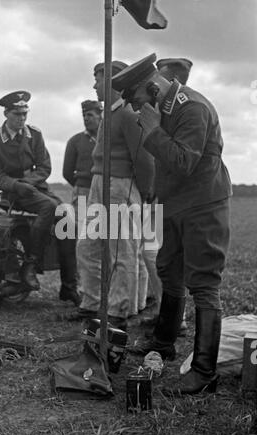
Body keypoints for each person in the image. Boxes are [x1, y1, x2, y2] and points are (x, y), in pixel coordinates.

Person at [112, 54, 232, 394]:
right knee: (168, 269)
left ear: (152, 88)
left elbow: (182, 162)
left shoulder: (192, 107)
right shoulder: (162, 107)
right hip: (175, 205)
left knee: (204, 283)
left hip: (203, 205)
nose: (136, 110)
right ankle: (164, 342)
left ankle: (204, 371)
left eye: (136, 101)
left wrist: (151, 132)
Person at [76, 61, 154, 330]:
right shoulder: (110, 113)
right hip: (100, 182)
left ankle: (122, 308)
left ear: (111, 82)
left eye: (98, 80)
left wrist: (145, 192)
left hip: (121, 185)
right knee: (88, 246)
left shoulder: (128, 114)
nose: (94, 85)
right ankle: (92, 303)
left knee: (123, 249)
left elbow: (143, 157)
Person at [0, 90, 80, 305]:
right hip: (14, 193)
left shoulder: (34, 134)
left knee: (67, 217)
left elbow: (44, 166)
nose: (22, 119)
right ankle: (30, 264)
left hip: (36, 188)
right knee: (50, 207)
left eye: (25, 114)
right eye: (17, 114)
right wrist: (18, 185)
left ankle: (69, 286)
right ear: (6, 114)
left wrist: (29, 182)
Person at [141, 57, 194, 334]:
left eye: (159, 78)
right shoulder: (164, 110)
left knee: (160, 257)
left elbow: (174, 159)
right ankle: (168, 316)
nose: (154, 85)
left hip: (175, 200)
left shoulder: (182, 112)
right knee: (157, 258)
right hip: (162, 196)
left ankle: (176, 319)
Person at [63, 100, 102, 234]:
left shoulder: (109, 139)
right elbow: (67, 172)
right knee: (82, 231)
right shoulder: (75, 141)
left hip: (106, 191)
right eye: (84, 115)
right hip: (82, 193)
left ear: (100, 115)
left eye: (90, 115)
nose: (86, 119)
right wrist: (82, 184)